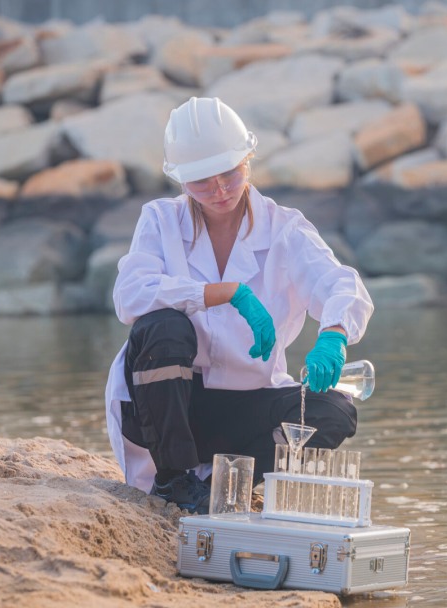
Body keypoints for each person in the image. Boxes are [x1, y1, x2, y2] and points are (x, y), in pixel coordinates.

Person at [104, 96, 374, 514]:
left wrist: (335, 333)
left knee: (336, 412)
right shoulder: (159, 221)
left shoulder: (284, 229)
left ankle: (230, 479)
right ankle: (173, 480)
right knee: (162, 328)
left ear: (248, 159)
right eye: (202, 181)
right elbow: (130, 295)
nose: (219, 191)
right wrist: (225, 292)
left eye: (230, 174)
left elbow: (339, 283)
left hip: (245, 403)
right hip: (167, 406)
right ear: (180, 180)